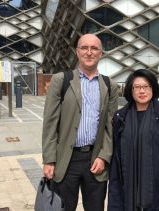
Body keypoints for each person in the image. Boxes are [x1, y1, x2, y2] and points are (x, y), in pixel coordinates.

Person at [42, 34, 119, 211]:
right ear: (77, 52)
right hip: (66, 160)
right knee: (63, 208)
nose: (89, 52)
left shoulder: (110, 85)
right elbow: (50, 123)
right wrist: (49, 160)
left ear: (101, 53)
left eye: (94, 48)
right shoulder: (61, 80)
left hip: (95, 160)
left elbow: (111, 126)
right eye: (84, 48)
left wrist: (104, 156)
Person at [108, 69, 159, 211]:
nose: (142, 91)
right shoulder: (120, 117)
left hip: (156, 185)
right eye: (137, 87)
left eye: (146, 86)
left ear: (153, 89)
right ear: (131, 90)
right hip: (125, 184)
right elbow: (115, 154)